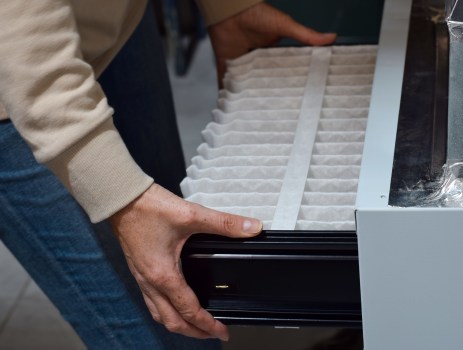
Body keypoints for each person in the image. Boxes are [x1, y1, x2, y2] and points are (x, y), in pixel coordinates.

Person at [0, 0, 335, 348]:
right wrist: (121, 196)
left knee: (188, 276)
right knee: (171, 325)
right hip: (17, 69)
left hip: (118, 22)